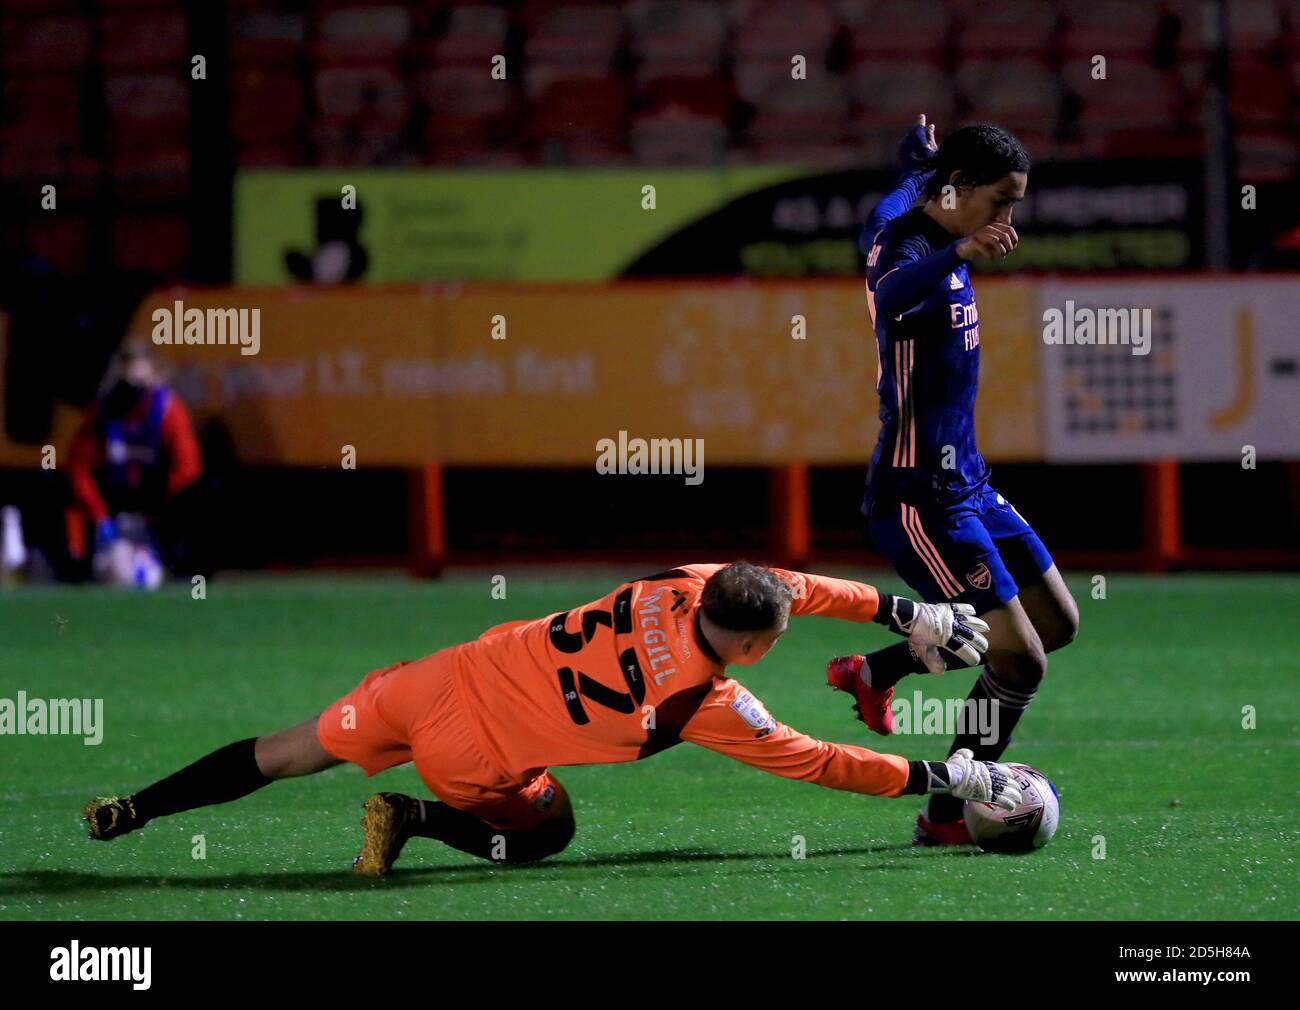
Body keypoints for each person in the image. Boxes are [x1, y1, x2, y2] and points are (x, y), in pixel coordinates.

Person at [85, 562, 1020, 874]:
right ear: (751, 643)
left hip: (434, 678)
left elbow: (788, 584)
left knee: (281, 751)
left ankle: (134, 808)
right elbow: (821, 761)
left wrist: (901, 615)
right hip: (472, 755)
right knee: (549, 831)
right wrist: (948, 776)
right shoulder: (708, 701)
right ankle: (418, 818)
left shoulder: (687, 583)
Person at [829, 116, 1080, 847]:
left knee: (1058, 624)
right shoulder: (906, 247)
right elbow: (893, 288)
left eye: (1014, 205)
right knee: (1020, 658)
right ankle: (945, 814)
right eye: (999, 200)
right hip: (918, 497)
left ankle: (878, 669)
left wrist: (921, 156)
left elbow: (914, 175)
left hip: (970, 482)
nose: (1006, 220)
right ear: (961, 190)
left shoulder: (927, 197)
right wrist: (962, 248)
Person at [65, 340, 202, 582]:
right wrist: (99, 515)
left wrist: (158, 506)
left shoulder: (166, 409)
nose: (132, 377)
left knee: (151, 576)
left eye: (138, 368)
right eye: (127, 369)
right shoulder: (105, 411)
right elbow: (79, 466)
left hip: (156, 511)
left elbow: (188, 468)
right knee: (117, 573)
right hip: (114, 513)